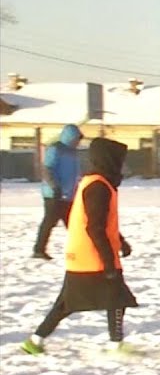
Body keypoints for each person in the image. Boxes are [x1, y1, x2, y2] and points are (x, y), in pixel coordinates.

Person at [21, 138, 138, 355]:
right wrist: (108, 261)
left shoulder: (96, 182)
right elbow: (95, 228)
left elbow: (100, 221)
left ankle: (35, 340)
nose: (122, 165)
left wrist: (121, 241)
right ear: (108, 160)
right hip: (93, 256)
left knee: (69, 302)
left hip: (83, 255)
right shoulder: (98, 187)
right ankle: (115, 345)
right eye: (119, 160)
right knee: (116, 297)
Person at [32, 124, 83, 260]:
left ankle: (79, 250)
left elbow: (75, 173)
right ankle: (39, 250)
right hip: (54, 194)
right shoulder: (55, 149)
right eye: (76, 139)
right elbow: (48, 169)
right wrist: (55, 187)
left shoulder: (73, 153)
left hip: (68, 194)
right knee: (50, 222)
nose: (78, 142)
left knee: (73, 223)